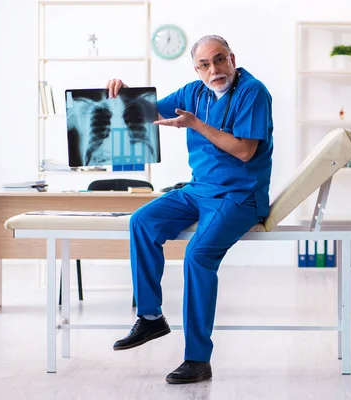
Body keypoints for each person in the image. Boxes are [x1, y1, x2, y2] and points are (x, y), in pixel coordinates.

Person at [106, 34, 273, 384]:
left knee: (198, 256)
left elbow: (244, 151)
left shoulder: (253, 92)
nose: (214, 69)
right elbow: (146, 109)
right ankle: (151, 317)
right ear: (196, 69)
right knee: (143, 221)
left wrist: (196, 124)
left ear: (232, 58)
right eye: (204, 64)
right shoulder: (192, 93)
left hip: (240, 196)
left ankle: (198, 359)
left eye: (219, 60)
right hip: (199, 190)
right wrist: (123, 91)